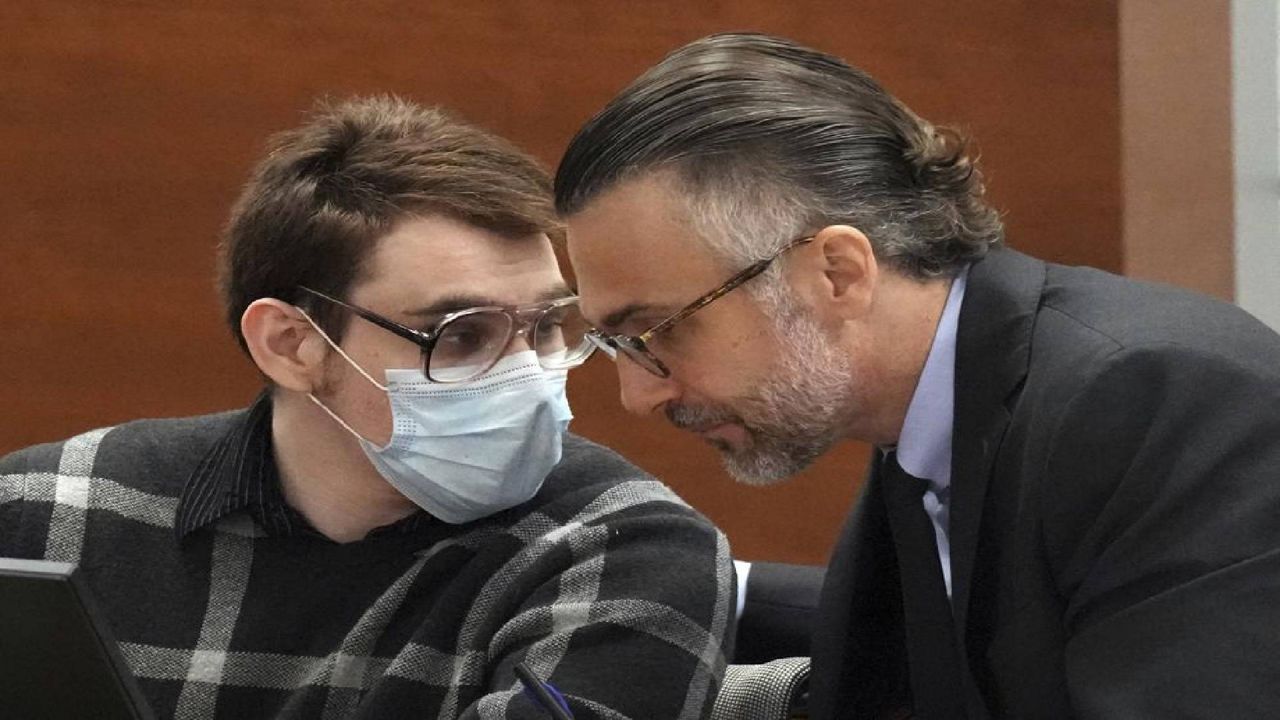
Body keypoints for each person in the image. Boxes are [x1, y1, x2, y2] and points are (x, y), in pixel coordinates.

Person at [554, 32, 1280, 719]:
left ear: (836, 274)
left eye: (662, 329)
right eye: (618, 344)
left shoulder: (1156, 397)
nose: (640, 395)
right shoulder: (934, 407)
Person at [0, 96, 733, 719]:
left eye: (547, 328)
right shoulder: (43, 513)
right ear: (292, 346)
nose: (525, 374)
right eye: (461, 335)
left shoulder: (629, 551)